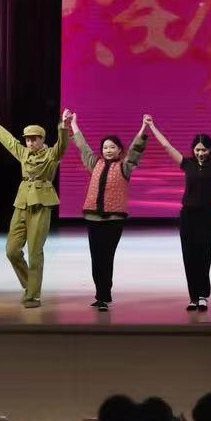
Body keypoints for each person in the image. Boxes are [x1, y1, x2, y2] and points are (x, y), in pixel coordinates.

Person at [0, 111, 73, 308]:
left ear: (42, 139)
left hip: (41, 203)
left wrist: (64, 125)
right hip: (22, 202)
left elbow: (62, 146)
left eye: (34, 139)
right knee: (11, 250)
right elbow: (8, 141)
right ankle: (30, 284)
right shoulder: (23, 152)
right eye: (27, 139)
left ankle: (32, 295)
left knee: (35, 251)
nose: (30, 142)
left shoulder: (51, 154)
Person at [147, 120, 211, 311]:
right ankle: (193, 297)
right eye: (197, 150)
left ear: (210, 150)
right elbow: (167, 146)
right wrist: (151, 126)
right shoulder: (187, 164)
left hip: (207, 215)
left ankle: (203, 295)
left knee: (204, 255)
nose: (200, 153)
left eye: (204, 150)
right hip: (188, 215)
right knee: (189, 256)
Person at [70, 112, 148, 311]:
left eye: (112, 147)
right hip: (93, 218)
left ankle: (104, 296)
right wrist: (74, 124)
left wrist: (143, 127)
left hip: (113, 219)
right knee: (96, 258)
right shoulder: (94, 163)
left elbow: (135, 150)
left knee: (106, 257)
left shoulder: (125, 167)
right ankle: (100, 295)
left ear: (119, 150)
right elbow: (82, 146)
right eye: (105, 147)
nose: (108, 150)